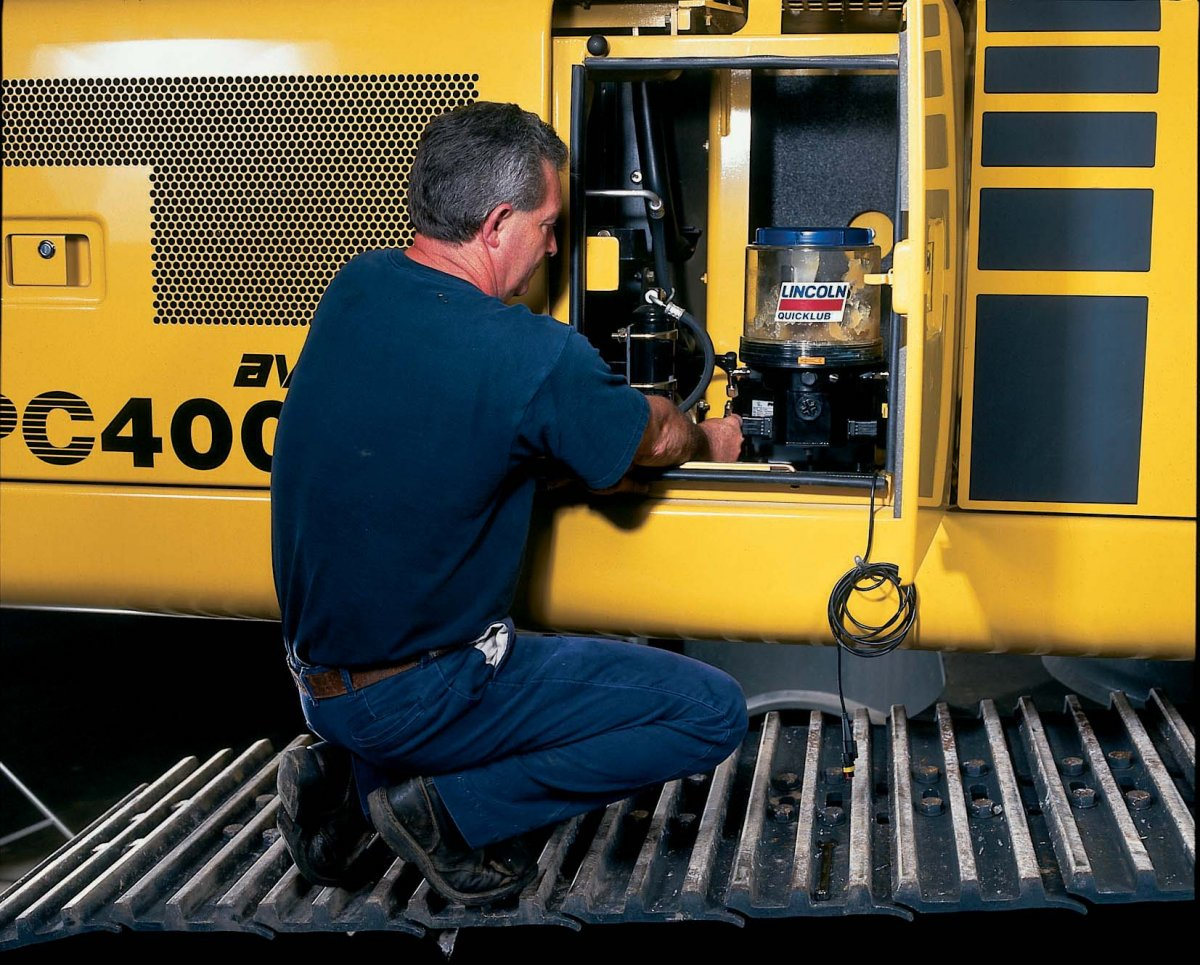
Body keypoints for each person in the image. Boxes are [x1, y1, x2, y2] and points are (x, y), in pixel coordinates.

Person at [269, 101, 748, 906]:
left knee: (417, 686)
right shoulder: (530, 352)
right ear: (496, 226)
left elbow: (442, 440)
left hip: (318, 687)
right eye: (547, 224)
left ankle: (348, 793)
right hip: (419, 697)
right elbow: (654, 440)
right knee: (712, 712)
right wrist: (709, 438)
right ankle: (450, 815)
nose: (554, 247)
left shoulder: (357, 287)